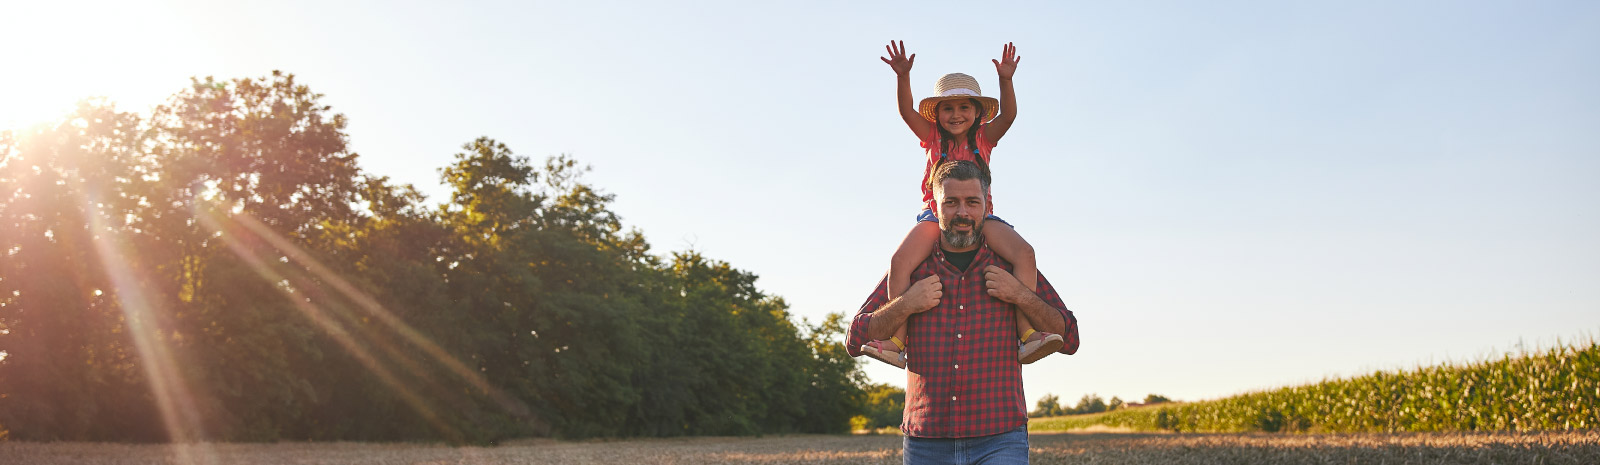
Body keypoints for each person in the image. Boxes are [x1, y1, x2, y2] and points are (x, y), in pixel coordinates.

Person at [847, 160, 1080, 464]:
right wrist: (907, 303)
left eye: (972, 202)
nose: (962, 213)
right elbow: (855, 339)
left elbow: (1070, 337)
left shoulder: (1012, 266)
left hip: (1000, 438)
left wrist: (1020, 295)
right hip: (926, 443)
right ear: (935, 206)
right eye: (951, 202)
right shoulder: (911, 267)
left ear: (986, 205)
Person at [860, 40, 1063, 369]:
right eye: (948, 108)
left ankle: (1027, 336)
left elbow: (1009, 115)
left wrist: (1006, 80)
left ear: (977, 112)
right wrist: (903, 77)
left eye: (964, 107)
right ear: (937, 114)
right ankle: (895, 342)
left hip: (982, 217)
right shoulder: (931, 137)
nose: (956, 115)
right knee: (900, 261)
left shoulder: (984, 138)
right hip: (935, 216)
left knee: (1024, 253)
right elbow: (906, 111)